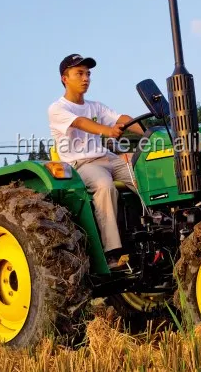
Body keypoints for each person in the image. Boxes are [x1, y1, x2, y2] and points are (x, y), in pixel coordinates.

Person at [48, 53, 145, 270]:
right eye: (79, 73)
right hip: (82, 165)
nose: (86, 78)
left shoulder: (96, 106)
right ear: (65, 78)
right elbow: (81, 123)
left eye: (88, 74)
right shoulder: (58, 108)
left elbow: (122, 119)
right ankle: (112, 253)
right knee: (104, 186)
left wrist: (151, 132)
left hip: (107, 158)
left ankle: (156, 225)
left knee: (144, 172)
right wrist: (107, 131)